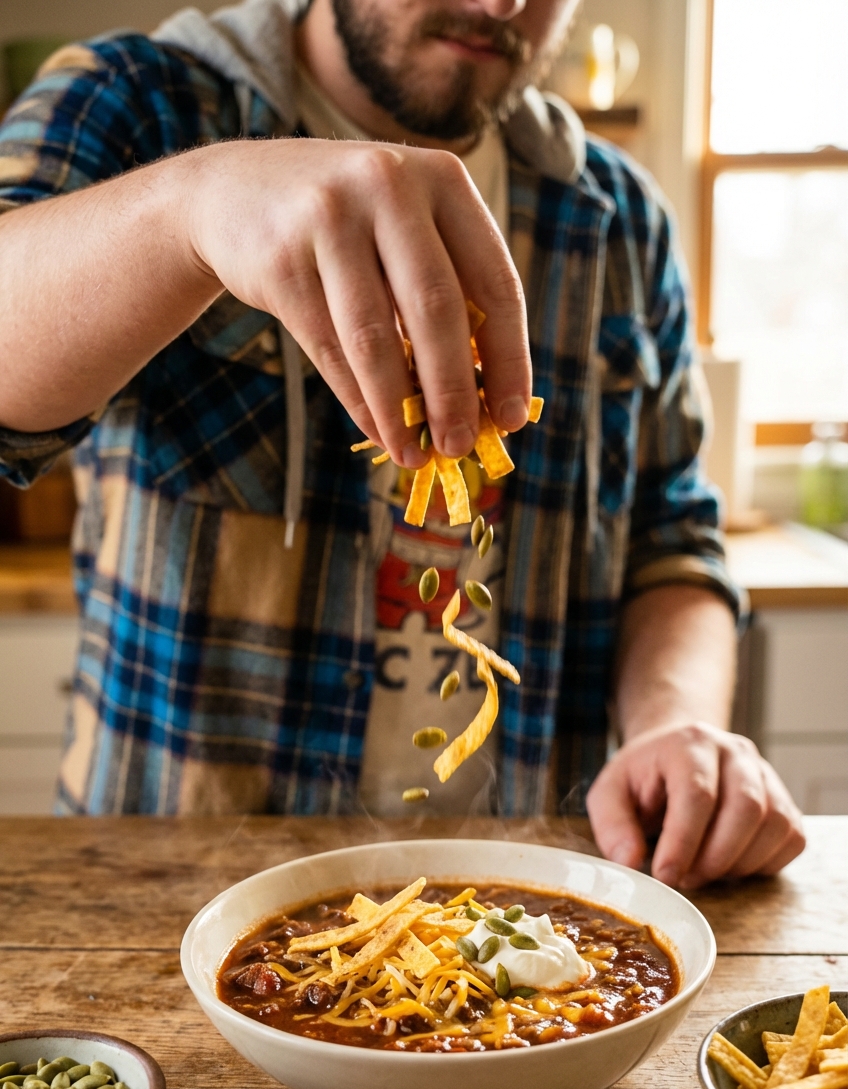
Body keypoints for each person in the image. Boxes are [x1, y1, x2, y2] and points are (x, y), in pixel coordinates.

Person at [0, 0, 804, 886]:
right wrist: (186, 211)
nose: (504, 5)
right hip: (165, 900)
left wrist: (673, 725)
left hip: (521, 904)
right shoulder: (136, 103)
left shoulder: (622, 222)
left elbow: (671, 540)